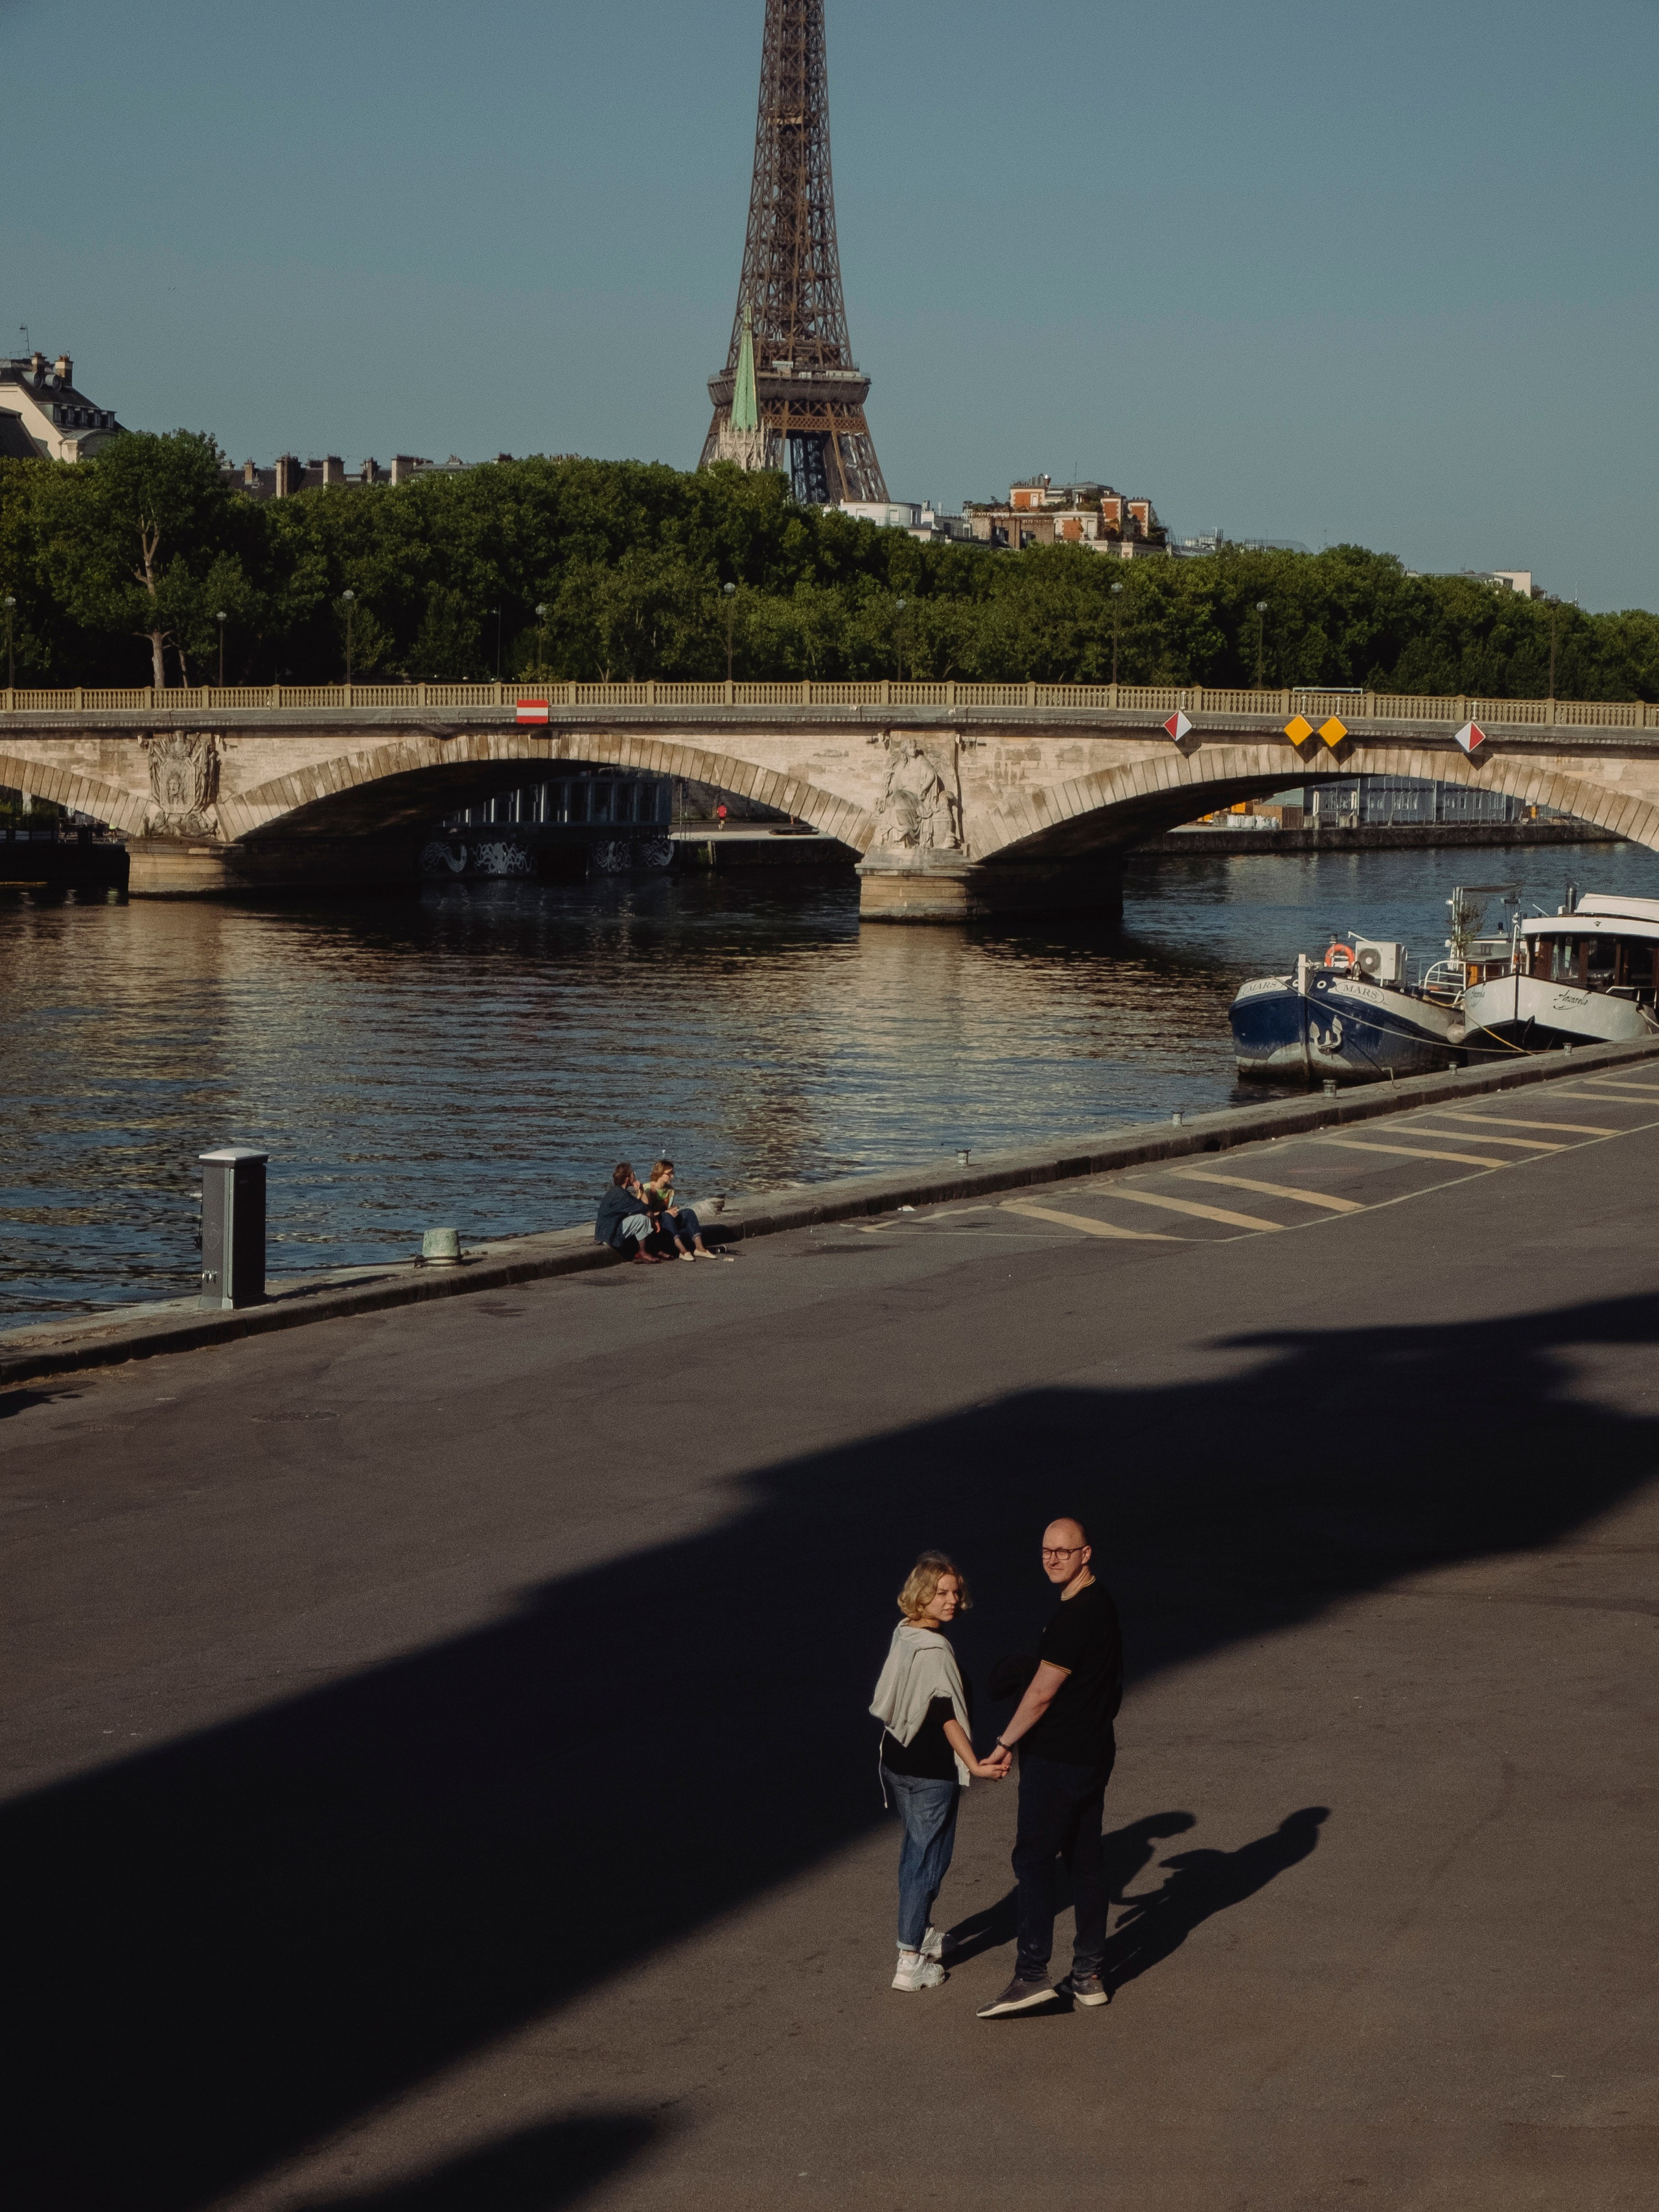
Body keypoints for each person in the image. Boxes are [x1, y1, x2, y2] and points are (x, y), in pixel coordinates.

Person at [977, 1517, 1122, 2017]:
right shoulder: (1101, 1603)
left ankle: (1031, 1974)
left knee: (1035, 1860)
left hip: (1057, 1759)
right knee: (1086, 1861)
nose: (1054, 1558)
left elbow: (1041, 1695)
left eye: (1065, 1550)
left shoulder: (1073, 1618)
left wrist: (1003, 1742)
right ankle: (1089, 1974)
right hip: (1093, 1753)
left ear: (1087, 1553)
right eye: (1046, 1550)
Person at [869, 1552, 1006, 1994]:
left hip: (896, 1761)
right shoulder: (935, 1649)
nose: (951, 1599)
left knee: (916, 1852)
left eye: (955, 1591)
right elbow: (947, 1714)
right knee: (927, 1860)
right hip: (929, 1773)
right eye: (941, 1592)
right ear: (921, 1594)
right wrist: (975, 1764)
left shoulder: (906, 1632)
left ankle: (920, 1930)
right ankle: (909, 1960)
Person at [642, 1159, 733, 1262]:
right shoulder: (647, 1188)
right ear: (659, 1174)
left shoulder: (670, 1190)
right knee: (666, 1216)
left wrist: (673, 1212)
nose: (673, 1176)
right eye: (669, 1173)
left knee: (688, 1212)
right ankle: (683, 1251)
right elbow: (644, 1213)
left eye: (673, 1173)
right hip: (654, 1225)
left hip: (666, 1222)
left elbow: (668, 1211)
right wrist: (665, 1213)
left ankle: (700, 1248)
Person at [593, 1163, 666, 1266]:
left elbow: (641, 1205)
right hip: (609, 1233)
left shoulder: (615, 1192)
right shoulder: (621, 1195)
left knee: (641, 1217)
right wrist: (655, 1220)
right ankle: (642, 1253)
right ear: (627, 1179)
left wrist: (640, 1189)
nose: (635, 1176)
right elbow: (645, 1209)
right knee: (642, 1219)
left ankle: (646, 1250)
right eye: (633, 1174)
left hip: (605, 1231)